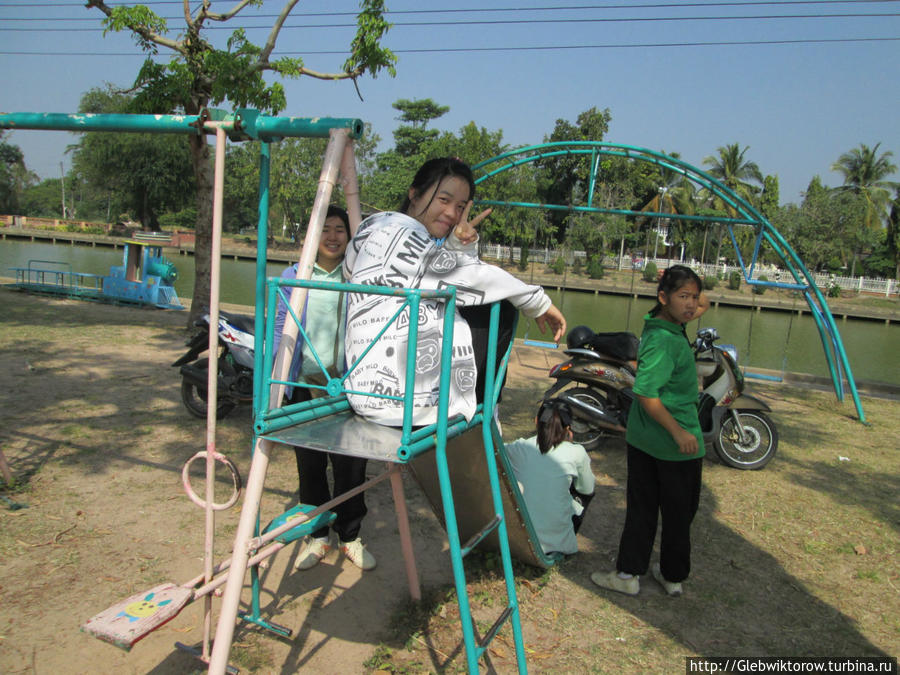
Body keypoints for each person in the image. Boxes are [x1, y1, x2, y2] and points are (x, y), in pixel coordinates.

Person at [342, 156, 566, 427]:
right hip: (404, 399)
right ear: (414, 194)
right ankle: (484, 410)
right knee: (500, 309)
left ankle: (482, 404)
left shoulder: (378, 229)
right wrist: (537, 301)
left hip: (369, 387)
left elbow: (432, 276)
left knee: (474, 302)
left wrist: (458, 246)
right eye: (444, 200)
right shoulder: (399, 234)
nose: (452, 213)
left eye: (460, 206)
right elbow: (466, 276)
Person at [591, 265, 705, 597]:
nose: (691, 305)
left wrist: (689, 286)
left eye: (694, 297)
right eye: (683, 297)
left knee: (672, 513)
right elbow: (645, 393)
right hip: (671, 444)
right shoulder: (664, 340)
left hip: (650, 442)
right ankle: (633, 574)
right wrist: (679, 433)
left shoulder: (666, 323)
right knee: (662, 513)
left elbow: (703, 303)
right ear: (663, 297)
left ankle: (668, 575)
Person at [273, 205, 375, 572]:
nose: (332, 237)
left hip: (347, 385)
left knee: (351, 465)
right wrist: (278, 386)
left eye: (340, 230)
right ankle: (317, 536)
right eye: (325, 229)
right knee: (310, 465)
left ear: (350, 238)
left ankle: (350, 536)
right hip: (304, 382)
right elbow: (280, 330)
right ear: (311, 238)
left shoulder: (358, 276)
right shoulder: (294, 275)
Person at [505, 398, 595, 555]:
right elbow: (587, 489)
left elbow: (493, 448)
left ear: (535, 421)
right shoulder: (577, 452)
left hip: (518, 540)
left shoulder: (519, 447)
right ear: (568, 428)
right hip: (557, 545)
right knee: (581, 489)